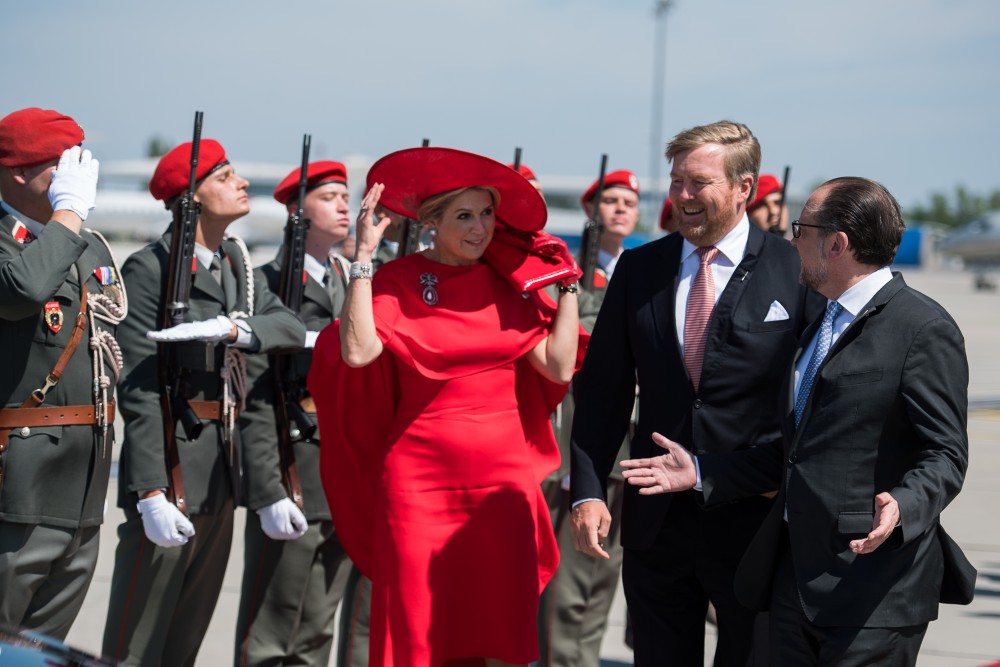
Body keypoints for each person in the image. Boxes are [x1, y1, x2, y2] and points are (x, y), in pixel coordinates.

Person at [621, 176, 975, 666]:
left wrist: (904, 503)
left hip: (870, 587)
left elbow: (946, 452)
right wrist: (702, 472)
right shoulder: (821, 324)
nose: (790, 240)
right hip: (794, 584)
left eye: (800, 229)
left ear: (837, 244)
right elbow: (797, 449)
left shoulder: (921, 327)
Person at [308, 146, 585, 667]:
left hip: (501, 486)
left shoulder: (510, 284)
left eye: (486, 214)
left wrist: (565, 286)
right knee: (417, 632)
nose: (480, 228)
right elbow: (357, 351)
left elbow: (559, 367)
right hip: (418, 484)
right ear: (431, 223)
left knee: (495, 626)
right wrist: (365, 260)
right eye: (464, 216)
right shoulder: (397, 280)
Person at [570, 120, 823, 666]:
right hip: (657, 527)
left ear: (743, 188)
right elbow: (603, 393)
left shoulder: (796, 272)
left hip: (756, 525)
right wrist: (588, 491)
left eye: (698, 183)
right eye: (677, 181)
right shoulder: (640, 270)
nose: (682, 196)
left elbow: (820, 402)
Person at [102, 137, 305, 666]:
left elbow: (287, 325)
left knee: (186, 639)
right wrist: (149, 489)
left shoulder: (236, 266)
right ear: (189, 200)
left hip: (221, 469)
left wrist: (238, 329)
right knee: (139, 642)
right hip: (173, 468)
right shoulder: (152, 268)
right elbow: (141, 386)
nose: (240, 184)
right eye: (224, 176)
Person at [0, 107, 126, 640]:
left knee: (42, 651)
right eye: (61, 165)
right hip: (17, 489)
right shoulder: (40, 236)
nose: (76, 178)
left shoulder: (85, 244)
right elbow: (24, 291)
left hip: (81, 488)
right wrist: (68, 213)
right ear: (18, 172)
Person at [234, 160, 354, 666]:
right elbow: (256, 397)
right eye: (329, 196)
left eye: (346, 195)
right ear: (295, 212)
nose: (344, 205)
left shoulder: (352, 283)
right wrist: (267, 489)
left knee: (316, 628)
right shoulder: (268, 285)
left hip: (344, 470)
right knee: (269, 631)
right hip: (294, 465)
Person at [537, 168, 640, 667]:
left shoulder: (641, 270)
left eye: (629, 202)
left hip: (634, 440)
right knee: (571, 567)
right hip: (582, 433)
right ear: (589, 211)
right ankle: (560, 658)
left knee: (606, 567)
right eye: (611, 199)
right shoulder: (570, 273)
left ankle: (585, 657)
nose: (621, 209)